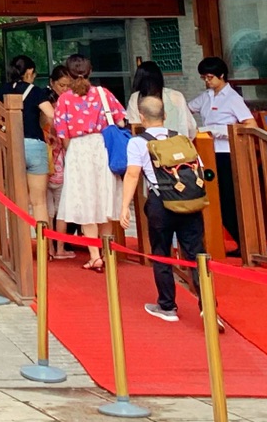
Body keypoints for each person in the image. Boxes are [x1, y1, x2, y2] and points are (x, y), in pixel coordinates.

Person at [115, 95, 205, 323]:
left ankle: (167, 306)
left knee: (161, 253)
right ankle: (208, 306)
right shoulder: (181, 138)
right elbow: (199, 168)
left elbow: (133, 174)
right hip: (189, 202)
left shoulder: (137, 142)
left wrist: (124, 206)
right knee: (197, 256)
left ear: (142, 117)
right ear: (165, 116)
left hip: (160, 203)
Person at [50, 54, 125, 270]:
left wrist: (70, 152)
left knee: (85, 201)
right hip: (101, 146)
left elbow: (62, 132)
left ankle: (94, 255)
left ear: (68, 73)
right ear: (90, 71)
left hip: (78, 149)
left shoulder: (65, 99)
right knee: (104, 199)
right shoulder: (103, 94)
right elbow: (120, 120)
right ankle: (107, 252)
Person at [189, 56, 253, 248]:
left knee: (228, 199)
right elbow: (186, 109)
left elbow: (249, 124)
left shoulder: (233, 98)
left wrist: (219, 132)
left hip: (226, 152)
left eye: (210, 77)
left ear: (221, 75)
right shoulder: (206, 96)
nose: (208, 81)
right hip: (208, 151)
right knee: (212, 198)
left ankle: (245, 242)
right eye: (204, 78)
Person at [3, 55, 56, 223]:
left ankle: (22, 246)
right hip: (34, 144)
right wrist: (53, 133)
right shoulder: (35, 91)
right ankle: (44, 245)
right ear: (29, 71)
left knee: (18, 200)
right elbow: (52, 115)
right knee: (38, 202)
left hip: (10, 145)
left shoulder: (1, 90)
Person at [45, 65, 76, 259]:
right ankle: (58, 248)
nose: (65, 89)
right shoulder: (57, 105)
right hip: (58, 161)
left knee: (50, 208)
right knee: (59, 208)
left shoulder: (46, 102)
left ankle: (51, 248)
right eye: (61, 85)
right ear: (52, 83)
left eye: (68, 85)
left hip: (48, 161)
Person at [125, 60, 197, 139]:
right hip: (177, 145)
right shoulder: (177, 95)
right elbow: (191, 126)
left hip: (149, 146)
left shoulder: (135, 98)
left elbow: (133, 127)